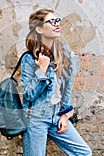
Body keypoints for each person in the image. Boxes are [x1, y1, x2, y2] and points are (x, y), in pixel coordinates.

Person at [20, 8, 92, 156]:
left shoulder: (64, 52)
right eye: (51, 22)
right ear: (39, 29)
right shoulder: (29, 58)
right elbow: (28, 94)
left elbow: (68, 85)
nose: (56, 24)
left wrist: (64, 114)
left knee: (84, 153)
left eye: (57, 20)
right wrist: (42, 70)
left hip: (56, 115)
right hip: (35, 118)